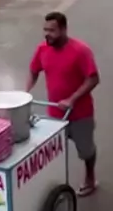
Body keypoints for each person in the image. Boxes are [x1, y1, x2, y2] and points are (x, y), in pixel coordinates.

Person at [26, 11, 100, 197]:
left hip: (80, 114)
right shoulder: (42, 49)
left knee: (86, 151)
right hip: (55, 115)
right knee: (53, 154)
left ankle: (90, 178)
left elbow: (93, 79)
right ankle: (55, 187)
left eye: (52, 30)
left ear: (64, 29)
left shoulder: (80, 51)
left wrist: (71, 99)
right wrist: (25, 92)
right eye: (45, 30)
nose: (47, 34)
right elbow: (34, 70)